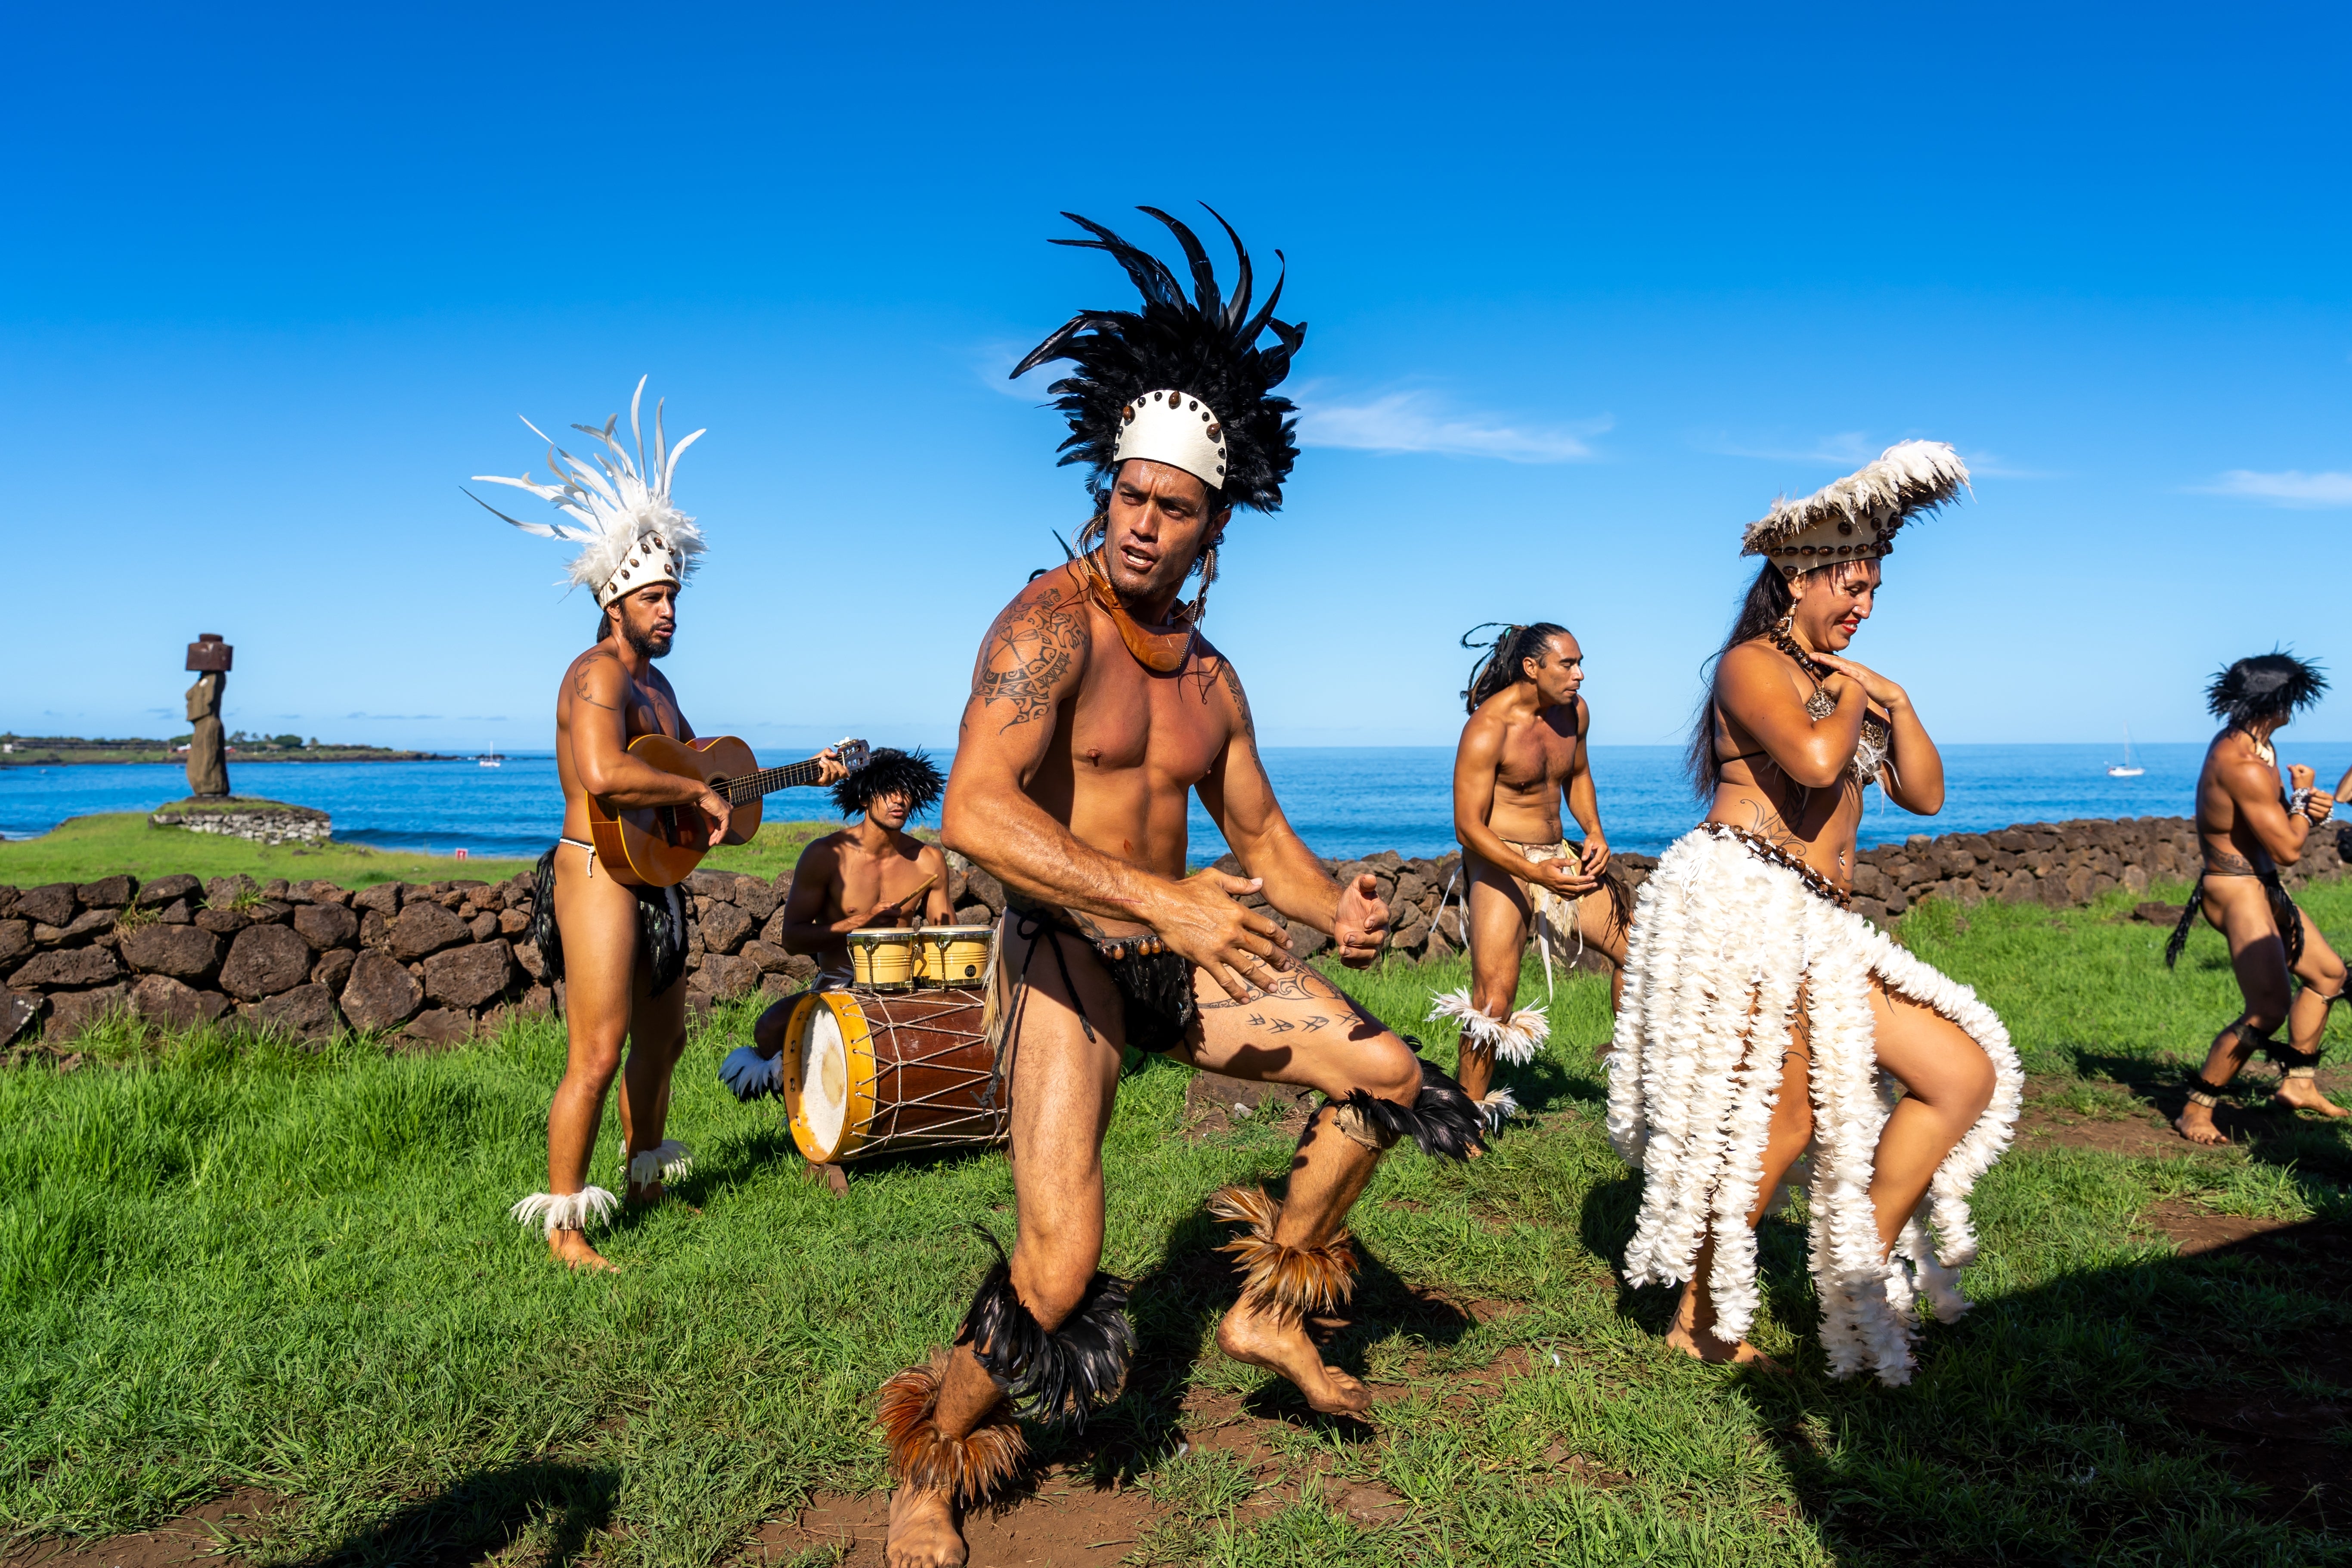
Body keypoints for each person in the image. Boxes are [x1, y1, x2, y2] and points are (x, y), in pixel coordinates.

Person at [878, 207, 1485, 1568]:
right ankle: (930, 1460)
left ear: (1216, 524)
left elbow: (1261, 836)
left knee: (1391, 1075)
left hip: (1187, 947)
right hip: (1067, 957)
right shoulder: (1045, 623)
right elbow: (975, 812)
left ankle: (1269, 1305)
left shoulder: (1212, 681)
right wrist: (1163, 906)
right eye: (1130, 497)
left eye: (1174, 508)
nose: (1144, 526)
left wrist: (1334, 905)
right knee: (1055, 1269)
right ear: (1107, 488)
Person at [1604, 442, 2022, 1385]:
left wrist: (1897, 702)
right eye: (1850, 587)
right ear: (1794, 581)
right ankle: (1701, 1319)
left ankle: (1850, 1275)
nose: (1863, 607)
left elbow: (1923, 796)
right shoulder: (1751, 665)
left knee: (1958, 1074)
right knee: (1783, 1121)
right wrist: (1849, 691)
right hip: (1742, 903)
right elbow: (1815, 762)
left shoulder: (1847, 687)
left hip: (1814, 922)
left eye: (1873, 591)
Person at [470, 379, 843, 1271]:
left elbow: (693, 775)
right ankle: (564, 1226)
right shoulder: (595, 675)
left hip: (652, 879)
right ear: (615, 602)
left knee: (665, 1038)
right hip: (593, 876)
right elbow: (604, 773)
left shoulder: (661, 688)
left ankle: (644, 1179)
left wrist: (787, 777)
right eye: (655, 600)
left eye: (675, 597)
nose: (670, 611)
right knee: (595, 1052)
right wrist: (695, 796)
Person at [1433, 621, 1629, 1128]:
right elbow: (1467, 828)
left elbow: (1578, 777)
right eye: (1568, 664)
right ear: (1531, 667)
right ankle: (1465, 1122)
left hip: (1556, 853)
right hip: (1502, 859)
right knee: (1493, 1000)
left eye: (1580, 663)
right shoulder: (1488, 727)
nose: (1580, 675)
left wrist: (1595, 833)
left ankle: (1637, 1083)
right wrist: (1533, 873)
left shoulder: (1574, 713)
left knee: (1643, 952)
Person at [2167, 652, 2346, 1145]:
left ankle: (2298, 1085)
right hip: (2236, 889)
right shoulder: (2241, 763)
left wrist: (2299, 796)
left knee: (2329, 974)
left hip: (2262, 886)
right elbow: (2288, 849)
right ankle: (2196, 1109)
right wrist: (2308, 809)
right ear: (2278, 702)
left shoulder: (2256, 744)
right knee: (2268, 1008)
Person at [722, 751, 956, 1097]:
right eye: (889, 790)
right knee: (769, 1029)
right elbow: (793, 939)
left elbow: (946, 940)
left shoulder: (928, 861)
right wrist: (860, 922)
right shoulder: (825, 855)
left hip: (904, 986)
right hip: (839, 985)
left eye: (907, 791)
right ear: (864, 796)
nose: (899, 800)